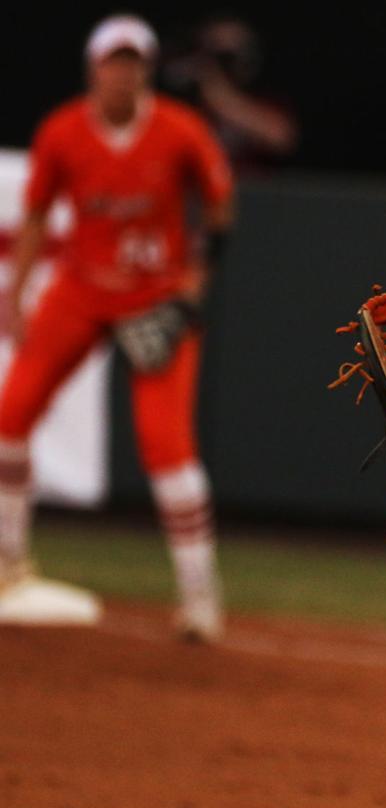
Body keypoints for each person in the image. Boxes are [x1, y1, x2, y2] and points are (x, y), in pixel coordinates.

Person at [0, 14, 234, 640]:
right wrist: (16, 294)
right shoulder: (62, 131)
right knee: (11, 413)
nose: (122, 74)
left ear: (147, 71)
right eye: (113, 62)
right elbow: (36, 215)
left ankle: (200, 596)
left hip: (155, 298)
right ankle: (8, 566)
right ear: (93, 68)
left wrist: (192, 289)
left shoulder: (180, 131)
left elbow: (220, 206)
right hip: (80, 291)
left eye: (132, 63)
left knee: (168, 448)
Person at [162, 15, 298, 173]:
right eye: (213, 54)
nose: (223, 65)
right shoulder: (185, 102)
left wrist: (218, 91)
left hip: (254, 184)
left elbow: (282, 139)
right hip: (199, 183)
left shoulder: (267, 99)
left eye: (228, 56)